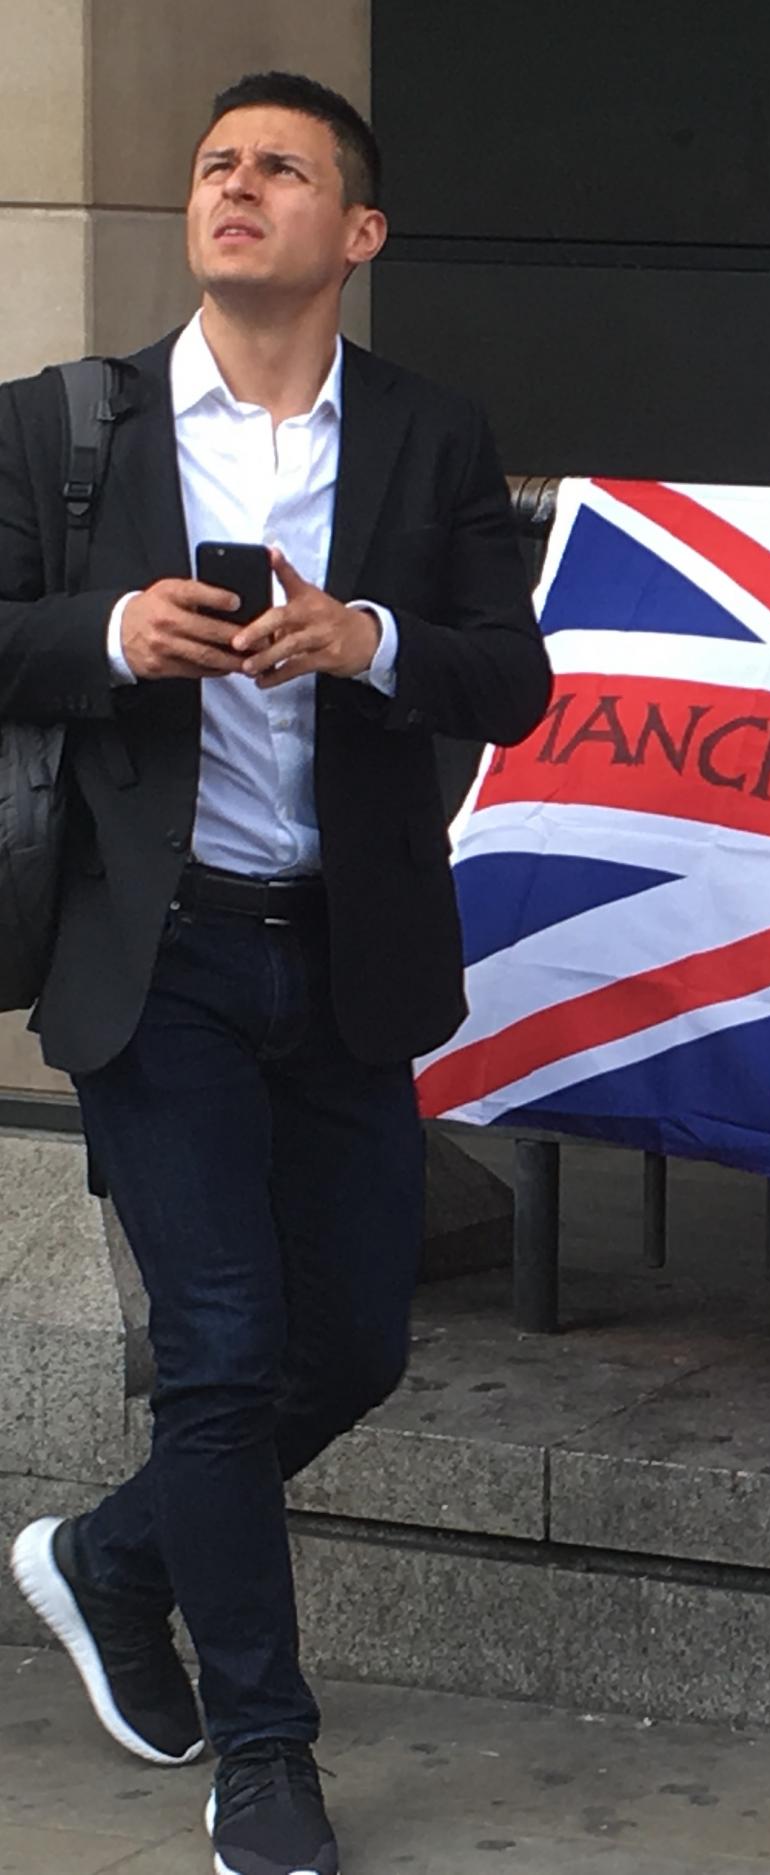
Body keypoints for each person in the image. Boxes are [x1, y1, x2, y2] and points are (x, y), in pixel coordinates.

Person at [0, 71, 551, 1875]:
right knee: (226, 1355)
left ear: (356, 232)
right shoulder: (60, 427)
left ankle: (107, 1557)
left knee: (357, 1345)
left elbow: (510, 673)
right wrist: (109, 632)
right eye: (218, 165)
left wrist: (366, 639)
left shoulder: (426, 432)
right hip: (152, 961)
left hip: (344, 956)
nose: (236, 190)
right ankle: (267, 1755)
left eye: (282, 170)